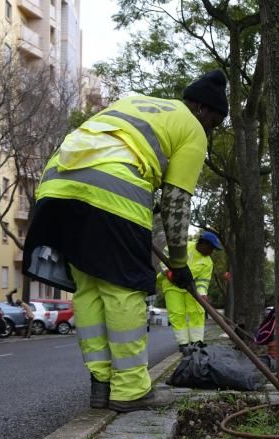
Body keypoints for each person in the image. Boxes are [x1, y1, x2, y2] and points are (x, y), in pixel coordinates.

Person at [22, 71, 228, 412]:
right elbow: (178, 203)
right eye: (214, 123)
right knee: (123, 288)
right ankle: (130, 389)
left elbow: (122, 150)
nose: (210, 131)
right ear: (202, 109)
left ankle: (100, 385)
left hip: (57, 184)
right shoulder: (192, 129)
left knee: (89, 288)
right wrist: (178, 264)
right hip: (111, 189)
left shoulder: (136, 103)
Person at [158, 231, 221, 353]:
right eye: (211, 248)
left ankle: (197, 342)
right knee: (177, 314)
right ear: (202, 244)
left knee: (197, 311)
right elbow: (165, 254)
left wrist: (202, 294)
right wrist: (167, 271)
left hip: (191, 288)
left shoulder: (208, 262)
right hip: (172, 286)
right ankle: (183, 344)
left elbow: (203, 280)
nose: (212, 251)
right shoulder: (184, 247)